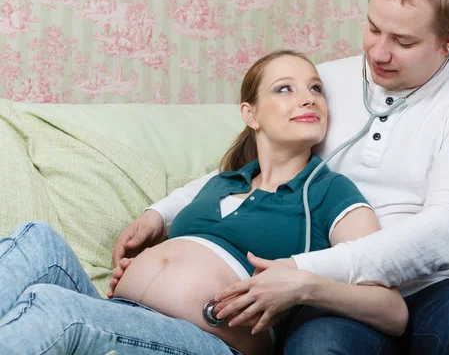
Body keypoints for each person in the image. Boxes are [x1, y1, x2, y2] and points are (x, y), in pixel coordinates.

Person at [0, 50, 407, 355]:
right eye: (286, 88)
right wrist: (152, 222)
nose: (309, 98)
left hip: (207, 342)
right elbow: (172, 208)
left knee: (54, 307)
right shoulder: (223, 180)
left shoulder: (329, 192)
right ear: (251, 114)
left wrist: (305, 287)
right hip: (122, 311)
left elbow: (392, 310)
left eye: (316, 88)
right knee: (38, 239)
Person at [211, 0, 449, 354]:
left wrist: (304, 270)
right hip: (341, 291)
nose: (379, 52)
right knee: (317, 346)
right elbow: (247, 168)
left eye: (404, 41)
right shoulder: (321, 83)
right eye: (373, 28)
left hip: (447, 287)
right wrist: (161, 216)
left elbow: (444, 233)